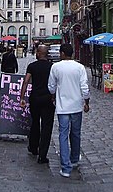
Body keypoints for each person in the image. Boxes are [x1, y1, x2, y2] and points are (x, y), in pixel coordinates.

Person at [48, 43, 90, 178]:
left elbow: (51, 87)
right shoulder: (79, 67)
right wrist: (86, 101)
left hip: (63, 107)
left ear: (62, 53)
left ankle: (65, 167)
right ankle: (74, 159)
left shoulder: (56, 67)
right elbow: (84, 87)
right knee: (76, 133)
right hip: (76, 105)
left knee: (63, 135)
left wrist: (54, 95)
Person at [20, 45, 55, 164]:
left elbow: (26, 81)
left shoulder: (32, 66)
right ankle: (42, 155)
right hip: (48, 99)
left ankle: (33, 147)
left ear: (39, 53)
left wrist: (22, 97)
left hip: (35, 98)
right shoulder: (52, 67)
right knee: (47, 126)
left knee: (35, 122)